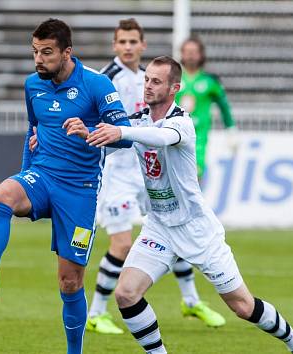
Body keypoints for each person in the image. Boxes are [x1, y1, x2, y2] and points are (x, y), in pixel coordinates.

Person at [84, 56, 293, 354]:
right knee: (126, 294)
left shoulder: (181, 122)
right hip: (159, 227)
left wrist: (121, 132)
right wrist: (80, 133)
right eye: (146, 80)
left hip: (197, 230)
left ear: (174, 88)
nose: (148, 86)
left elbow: (160, 137)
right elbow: (111, 135)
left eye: (156, 81)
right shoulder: (138, 121)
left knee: (243, 306)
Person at [0, 18, 132, 354]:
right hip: (42, 176)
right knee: (3, 195)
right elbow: (32, 130)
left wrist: (89, 132)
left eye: (47, 52)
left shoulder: (97, 85)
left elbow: (124, 137)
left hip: (80, 191)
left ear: (68, 52)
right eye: (35, 51)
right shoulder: (32, 86)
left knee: (70, 282)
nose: (39, 59)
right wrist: (26, 174)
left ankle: (74, 351)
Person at [87, 19, 224, 334]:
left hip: (145, 171)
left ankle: (190, 300)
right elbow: (89, 113)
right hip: (117, 173)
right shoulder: (108, 77)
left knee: (171, 226)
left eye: (133, 41)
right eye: (122, 42)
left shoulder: (145, 78)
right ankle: (96, 312)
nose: (128, 47)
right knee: (121, 245)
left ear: (143, 45)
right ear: (114, 45)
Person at [176, 36, 238, 182]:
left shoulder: (210, 81)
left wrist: (231, 130)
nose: (190, 55)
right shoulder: (173, 78)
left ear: (201, 54)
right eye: (187, 51)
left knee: (194, 177)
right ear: (182, 54)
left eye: (194, 52)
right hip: (174, 132)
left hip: (198, 138)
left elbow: (224, 107)